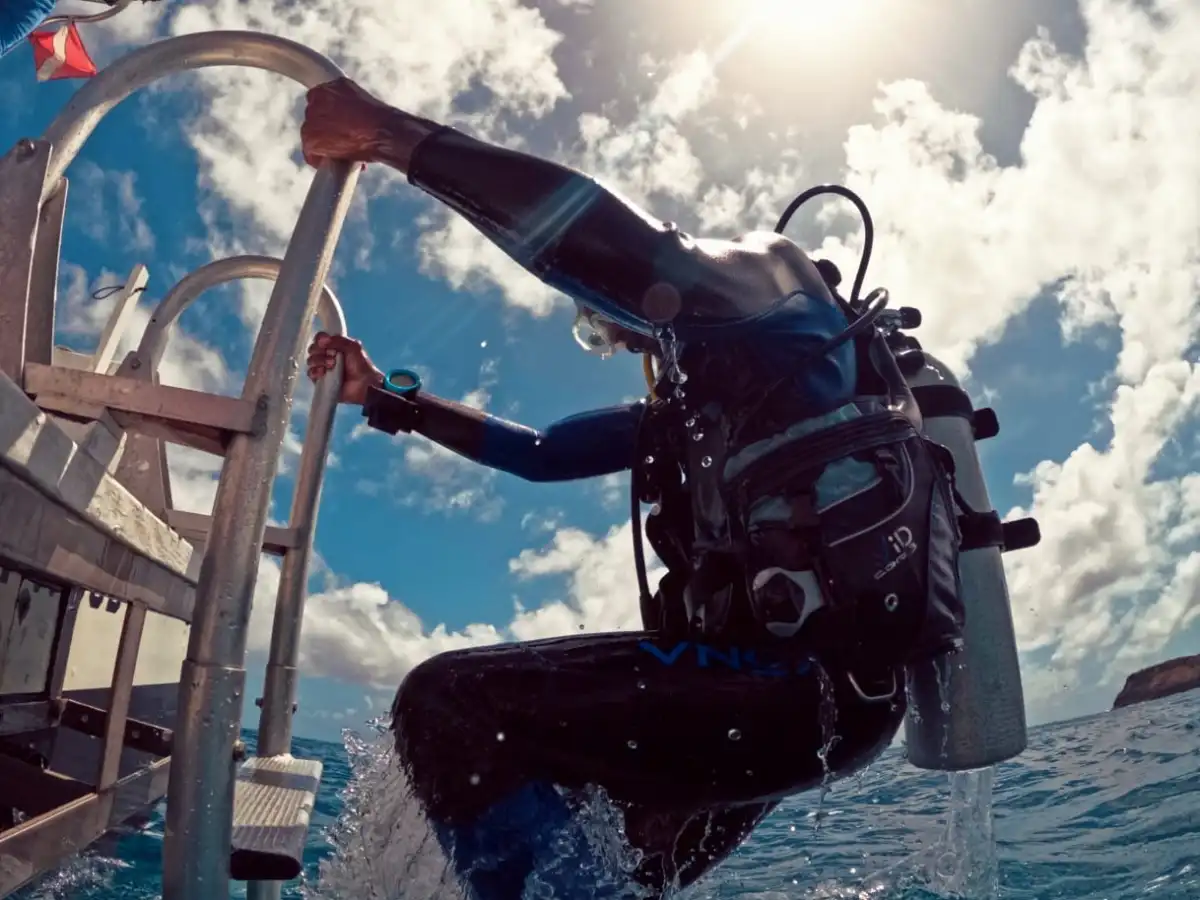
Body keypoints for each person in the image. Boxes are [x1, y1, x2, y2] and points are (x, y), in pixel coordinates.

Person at [302, 77, 967, 899]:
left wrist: (392, 136)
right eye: (596, 333)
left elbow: (633, 251)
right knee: (614, 852)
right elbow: (538, 453)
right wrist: (388, 400)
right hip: (784, 692)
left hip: (807, 687)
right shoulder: (702, 410)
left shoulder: (772, 282)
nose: (612, 336)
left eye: (602, 317)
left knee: (450, 707)